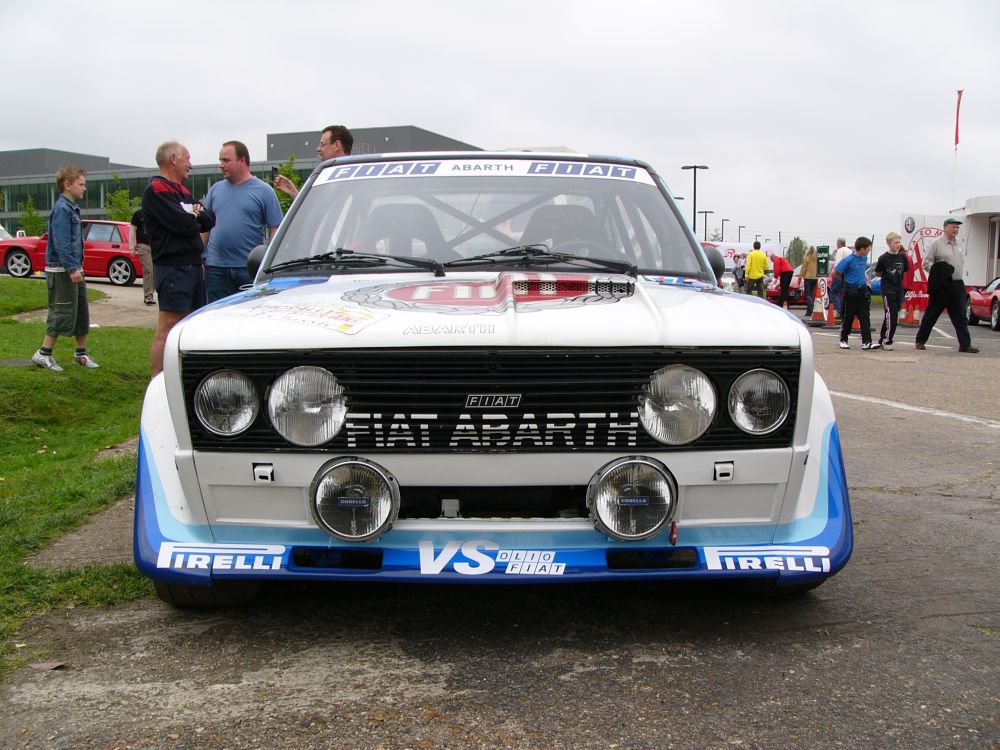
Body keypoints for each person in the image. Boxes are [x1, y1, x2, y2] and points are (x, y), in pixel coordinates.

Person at [142, 141, 216, 377]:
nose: (191, 166)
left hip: (194, 268)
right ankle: (157, 380)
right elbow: (183, 224)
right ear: (173, 158)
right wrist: (193, 215)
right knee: (168, 327)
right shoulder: (156, 190)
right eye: (188, 158)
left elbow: (209, 218)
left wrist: (193, 214)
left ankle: (185, 377)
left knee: (191, 325)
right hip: (174, 269)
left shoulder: (182, 192)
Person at [31, 166, 100, 371]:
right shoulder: (62, 209)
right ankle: (43, 354)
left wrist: (76, 267)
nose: (84, 189)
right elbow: (61, 243)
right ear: (67, 185)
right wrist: (71, 268)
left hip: (74, 269)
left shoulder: (72, 208)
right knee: (61, 312)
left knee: (81, 313)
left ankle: (81, 354)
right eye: (81, 184)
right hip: (62, 271)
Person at [201, 141, 283, 303]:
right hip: (216, 269)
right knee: (217, 318)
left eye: (226, 160)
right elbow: (205, 228)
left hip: (248, 270)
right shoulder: (215, 190)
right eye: (220, 160)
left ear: (242, 161)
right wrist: (199, 256)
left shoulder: (264, 191)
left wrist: (269, 262)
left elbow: (276, 228)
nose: (221, 165)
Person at [914, 218, 979, 353]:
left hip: (957, 285)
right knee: (932, 314)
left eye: (957, 228)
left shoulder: (958, 245)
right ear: (945, 228)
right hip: (942, 286)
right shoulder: (936, 244)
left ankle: (965, 345)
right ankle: (920, 340)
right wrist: (939, 274)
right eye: (953, 227)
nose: (955, 230)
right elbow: (926, 263)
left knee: (960, 316)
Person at [274, 124, 354, 200]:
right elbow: (319, 210)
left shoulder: (353, 180)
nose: (318, 149)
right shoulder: (325, 176)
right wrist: (294, 193)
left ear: (337, 145)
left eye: (322, 144)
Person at [832, 236, 879, 350]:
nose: (869, 250)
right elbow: (834, 272)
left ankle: (867, 342)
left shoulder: (864, 259)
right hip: (850, 291)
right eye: (868, 248)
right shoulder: (848, 260)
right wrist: (845, 281)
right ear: (862, 249)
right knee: (848, 316)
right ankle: (843, 339)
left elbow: (861, 272)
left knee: (864, 316)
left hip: (862, 291)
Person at [874, 232, 909, 350]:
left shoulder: (902, 257)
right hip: (887, 290)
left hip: (898, 289)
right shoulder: (883, 258)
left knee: (891, 315)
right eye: (895, 242)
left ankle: (882, 338)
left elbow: (904, 271)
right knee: (892, 315)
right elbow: (878, 272)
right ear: (889, 244)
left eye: (899, 242)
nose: (898, 245)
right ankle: (888, 340)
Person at [130, 208, 155, 305]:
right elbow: (132, 231)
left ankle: (160, 294)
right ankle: (148, 295)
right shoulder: (138, 214)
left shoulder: (158, 212)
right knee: (148, 270)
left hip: (156, 246)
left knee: (157, 271)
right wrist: (131, 247)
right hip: (143, 245)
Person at [829, 237, 851, 317]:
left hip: (839, 275)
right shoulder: (850, 251)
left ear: (839, 244)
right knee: (842, 294)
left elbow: (838, 264)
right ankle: (843, 311)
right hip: (847, 275)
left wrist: (834, 274)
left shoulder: (840, 251)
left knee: (833, 293)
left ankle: (840, 311)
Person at [801, 246, 819, 319]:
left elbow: (803, 268)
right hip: (815, 278)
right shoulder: (816, 259)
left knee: (807, 294)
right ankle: (808, 312)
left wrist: (800, 277)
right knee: (811, 294)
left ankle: (811, 309)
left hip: (808, 277)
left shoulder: (806, 258)